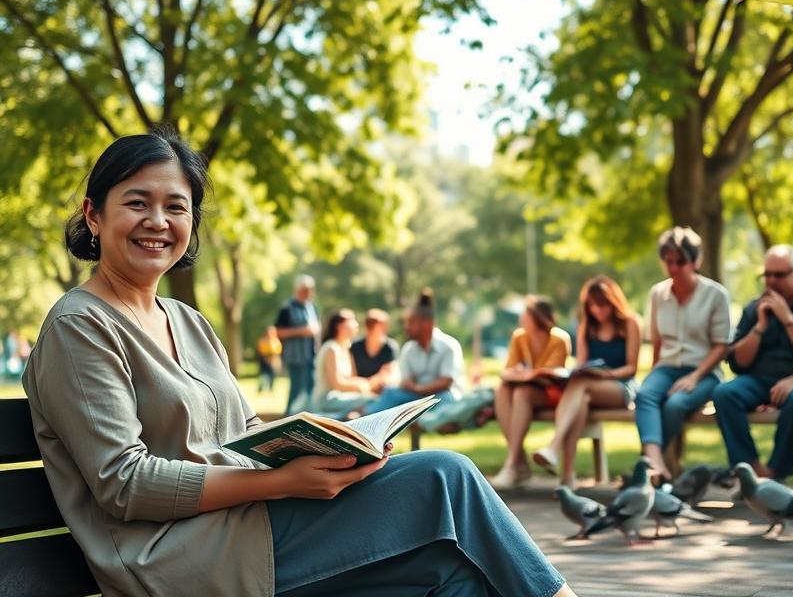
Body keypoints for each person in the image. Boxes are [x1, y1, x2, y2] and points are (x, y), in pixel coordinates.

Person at [22, 128, 576, 597]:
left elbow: (245, 431)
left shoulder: (187, 320)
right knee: (443, 476)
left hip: (246, 526)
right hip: (174, 556)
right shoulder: (80, 327)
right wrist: (282, 483)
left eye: (176, 207)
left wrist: (334, 444)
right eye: (137, 203)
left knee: (452, 575)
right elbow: (125, 483)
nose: (158, 221)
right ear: (94, 215)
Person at [713, 245, 793, 479]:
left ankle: (775, 472)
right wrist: (758, 328)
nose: (771, 281)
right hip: (758, 381)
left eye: (779, 275)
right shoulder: (754, 308)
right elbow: (738, 363)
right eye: (767, 275)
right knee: (724, 394)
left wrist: (787, 318)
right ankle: (751, 471)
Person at [634, 227, 732, 480]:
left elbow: (722, 345)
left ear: (695, 261)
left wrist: (695, 377)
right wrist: (654, 373)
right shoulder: (658, 294)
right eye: (669, 262)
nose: (674, 268)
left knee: (674, 405)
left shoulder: (715, 295)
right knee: (645, 395)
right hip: (667, 367)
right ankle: (656, 462)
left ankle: (650, 468)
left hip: (704, 371)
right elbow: (657, 341)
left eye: (681, 262)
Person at [532, 276, 641, 488]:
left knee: (581, 386)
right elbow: (582, 364)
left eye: (601, 305)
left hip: (621, 386)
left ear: (613, 302)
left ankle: (554, 447)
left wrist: (605, 375)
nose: (597, 310)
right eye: (592, 306)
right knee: (580, 398)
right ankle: (567, 478)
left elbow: (632, 367)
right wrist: (583, 371)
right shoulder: (586, 327)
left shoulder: (630, 323)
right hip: (589, 388)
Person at [489, 296, 572, 489]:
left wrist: (525, 374)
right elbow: (508, 371)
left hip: (551, 395)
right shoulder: (519, 337)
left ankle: (513, 465)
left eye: (525, 314)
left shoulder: (559, 339)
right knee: (502, 390)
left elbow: (550, 375)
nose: (521, 318)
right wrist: (526, 375)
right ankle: (518, 461)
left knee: (521, 393)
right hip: (525, 390)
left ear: (538, 317)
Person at [363, 289, 464, 415]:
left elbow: (446, 382)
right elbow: (406, 381)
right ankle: (363, 417)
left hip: (441, 396)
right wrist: (416, 389)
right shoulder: (408, 349)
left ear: (427, 323)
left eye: (411, 322)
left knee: (448, 398)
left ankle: (428, 421)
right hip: (416, 397)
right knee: (391, 393)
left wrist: (419, 388)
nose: (407, 327)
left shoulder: (449, 346)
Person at [311, 308, 376, 417]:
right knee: (372, 400)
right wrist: (362, 386)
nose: (356, 324)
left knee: (372, 402)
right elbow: (337, 384)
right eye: (351, 320)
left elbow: (351, 378)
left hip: (341, 397)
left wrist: (366, 384)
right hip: (326, 399)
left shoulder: (345, 348)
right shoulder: (331, 348)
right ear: (339, 326)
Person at [275, 274, 321, 415]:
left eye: (311, 289)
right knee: (296, 391)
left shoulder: (312, 307)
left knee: (311, 390)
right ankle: (288, 419)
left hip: (311, 357)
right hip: (295, 357)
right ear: (298, 289)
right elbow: (278, 332)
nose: (309, 292)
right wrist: (301, 331)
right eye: (306, 289)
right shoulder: (287, 308)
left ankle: (309, 420)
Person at [350, 308, 400, 393]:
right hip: (358, 390)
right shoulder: (355, 347)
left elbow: (389, 373)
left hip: (381, 391)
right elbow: (351, 374)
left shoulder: (390, 347)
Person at [256, 326, 282, 393]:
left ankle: (271, 388)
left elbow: (278, 351)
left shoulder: (276, 341)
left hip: (272, 361)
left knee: (272, 375)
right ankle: (261, 388)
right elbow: (260, 351)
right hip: (264, 361)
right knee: (263, 375)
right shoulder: (263, 341)